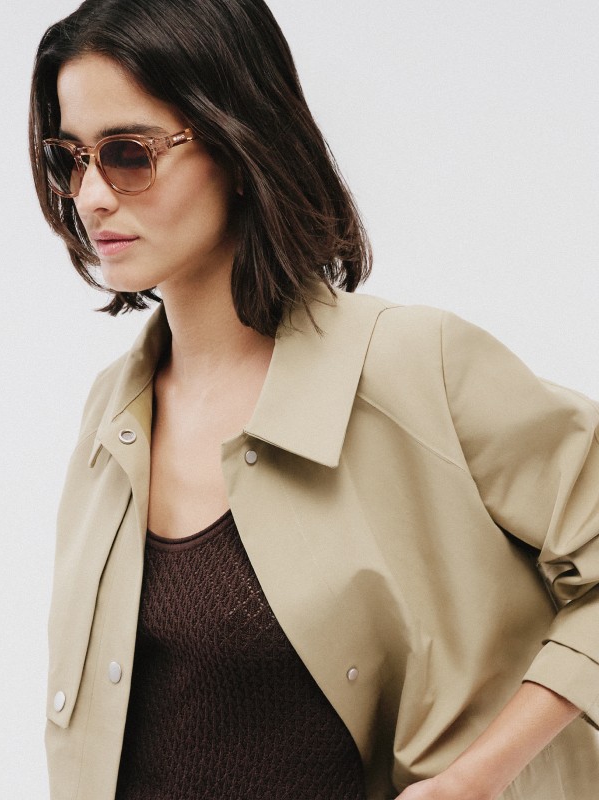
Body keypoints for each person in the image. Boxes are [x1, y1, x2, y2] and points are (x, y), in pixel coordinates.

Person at [29, 1, 599, 798]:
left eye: (129, 154)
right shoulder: (110, 415)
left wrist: (478, 777)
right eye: (70, 158)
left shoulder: (412, 367)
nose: (90, 195)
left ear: (237, 145)